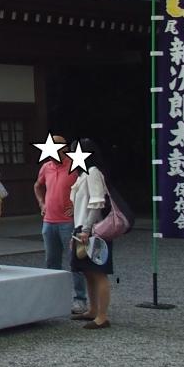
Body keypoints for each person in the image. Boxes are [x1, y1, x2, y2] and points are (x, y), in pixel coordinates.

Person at [33, 135, 87, 315]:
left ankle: (80, 299)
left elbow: (86, 189)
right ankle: (54, 298)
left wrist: (77, 206)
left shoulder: (75, 165)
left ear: (64, 148)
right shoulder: (46, 167)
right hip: (49, 221)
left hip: (69, 222)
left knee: (75, 261)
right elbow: (37, 186)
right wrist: (42, 204)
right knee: (51, 262)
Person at [70, 138, 113, 329]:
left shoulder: (93, 172)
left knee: (99, 272)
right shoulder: (82, 174)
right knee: (88, 271)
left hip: (94, 229)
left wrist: (87, 229)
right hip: (81, 228)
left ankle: (102, 316)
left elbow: (97, 203)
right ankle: (93, 309)